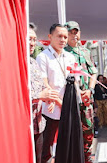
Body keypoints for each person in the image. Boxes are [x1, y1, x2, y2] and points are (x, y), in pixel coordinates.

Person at [36, 23, 76, 163]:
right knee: (47, 147)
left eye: (65, 37)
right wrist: (58, 102)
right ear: (50, 37)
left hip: (68, 108)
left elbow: (74, 81)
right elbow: (44, 84)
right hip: (50, 109)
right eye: (59, 36)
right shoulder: (43, 57)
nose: (63, 40)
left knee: (68, 144)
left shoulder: (70, 57)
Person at [64, 21, 98, 163]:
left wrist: (90, 90)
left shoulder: (86, 52)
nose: (74, 35)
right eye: (71, 32)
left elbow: (94, 73)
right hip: (71, 98)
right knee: (71, 131)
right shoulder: (63, 52)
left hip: (86, 98)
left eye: (76, 32)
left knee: (88, 128)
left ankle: (87, 156)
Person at [29, 23, 61, 163]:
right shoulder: (14, 63)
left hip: (38, 123)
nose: (32, 43)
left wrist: (50, 98)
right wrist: (39, 96)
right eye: (28, 39)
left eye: (34, 40)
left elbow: (42, 86)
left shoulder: (33, 63)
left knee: (42, 157)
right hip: (24, 125)